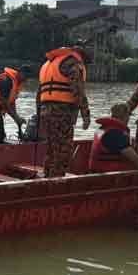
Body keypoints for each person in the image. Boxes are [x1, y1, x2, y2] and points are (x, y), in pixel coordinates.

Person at [37, 44, 91, 178]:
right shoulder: (73, 63)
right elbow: (77, 89)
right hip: (62, 113)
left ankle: (48, 176)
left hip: (45, 112)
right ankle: (56, 180)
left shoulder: (48, 64)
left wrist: (39, 115)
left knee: (51, 148)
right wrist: (85, 115)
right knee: (63, 150)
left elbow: (40, 94)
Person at [87, 103, 138, 182]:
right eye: (128, 116)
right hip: (108, 177)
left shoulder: (104, 128)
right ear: (125, 116)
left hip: (97, 171)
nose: (128, 119)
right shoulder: (115, 133)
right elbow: (134, 158)